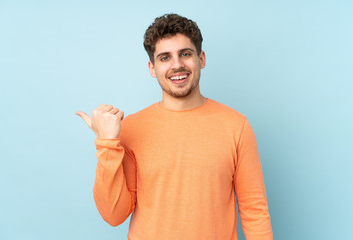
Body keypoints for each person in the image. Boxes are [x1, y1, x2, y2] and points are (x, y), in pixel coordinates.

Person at [76, 13, 273, 240]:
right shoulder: (131, 128)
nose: (177, 65)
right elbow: (113, 216)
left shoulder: (236, 126)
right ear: (152, 68)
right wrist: (106, 144)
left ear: (202, 58)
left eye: (185, 54)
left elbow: (254, 212)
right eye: (165, 58)